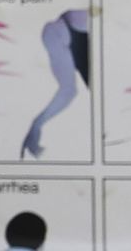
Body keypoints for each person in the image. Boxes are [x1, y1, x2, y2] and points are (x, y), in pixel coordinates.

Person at [20, 8, 90, 159]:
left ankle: (35, 129)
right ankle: (35, 128)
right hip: (62, 33)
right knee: (69, 91)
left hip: (65, 33)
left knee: (71, 91)